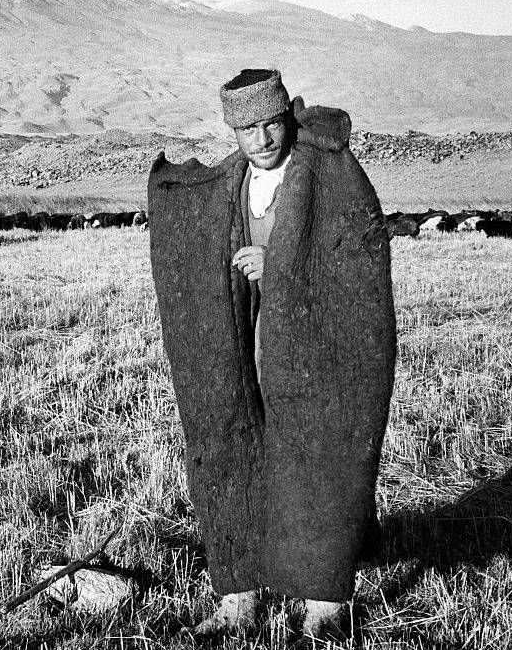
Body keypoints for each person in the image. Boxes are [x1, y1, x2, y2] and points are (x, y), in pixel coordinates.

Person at [148, 69, 396, 640]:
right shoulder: (229, 183)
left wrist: (281, 270)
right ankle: (240, 589)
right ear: (231, 130)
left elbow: (359, 264)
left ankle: (322, 596)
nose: (261, 140)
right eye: (246, 129)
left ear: (287, 117)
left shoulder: (332, 174)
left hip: (316, 347)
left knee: (315, 452)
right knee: (233, 443)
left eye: (270, 124)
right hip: (244, 343)